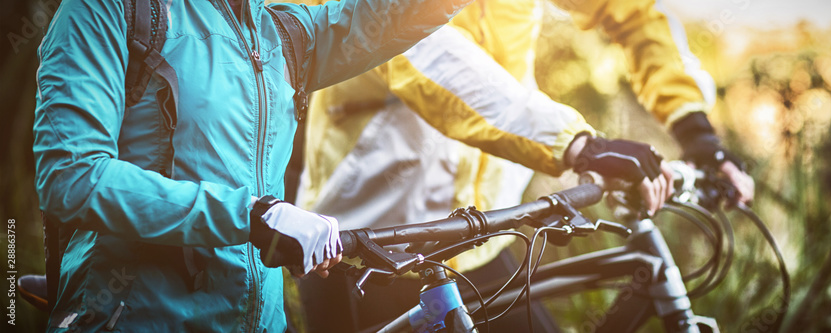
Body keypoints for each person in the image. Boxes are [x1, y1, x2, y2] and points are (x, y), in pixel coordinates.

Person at [291, 0, 754, 330]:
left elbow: (633, 11)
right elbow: (425, 57)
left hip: (482, 241)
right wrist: (578, 145)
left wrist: (697, 134)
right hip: (368, 250)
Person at [32, 0, 477, 331]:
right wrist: (252, 217)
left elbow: (392, 13)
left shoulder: (282, 32)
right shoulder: (108, 11)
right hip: (138, 317)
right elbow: (74, 179)